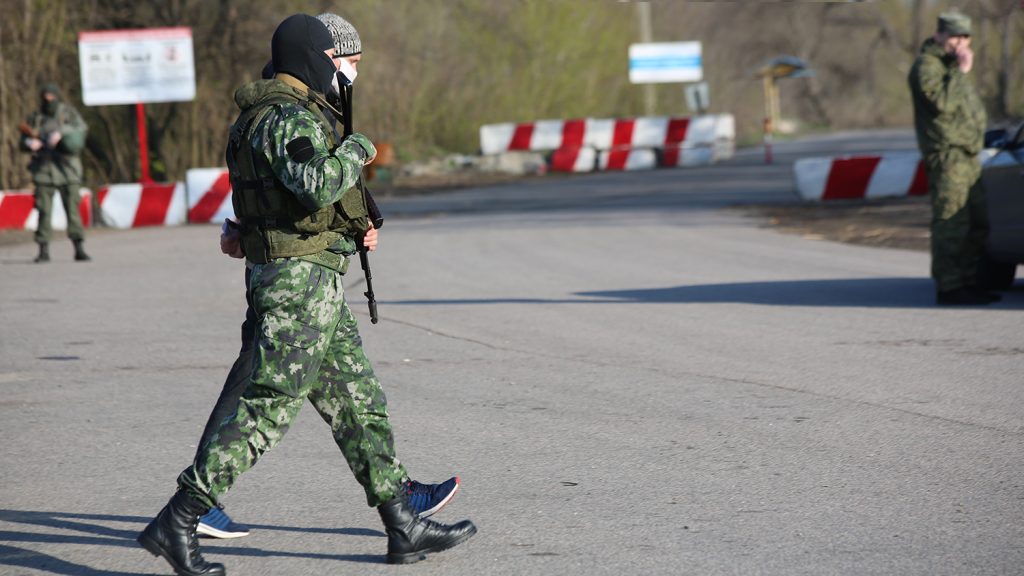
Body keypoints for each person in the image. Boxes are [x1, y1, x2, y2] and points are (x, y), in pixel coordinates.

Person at [137, 15, 476, 575]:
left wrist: (349, 228)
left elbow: (282, 209)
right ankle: (179, 518)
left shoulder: (268, 117)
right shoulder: (286, 118)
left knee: (357, 400)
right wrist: (358, 149)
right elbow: (315, 183)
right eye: (347, 61)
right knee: (267, 407)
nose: (351, 74)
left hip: (312, 280)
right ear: (318, 57)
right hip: (297, 288)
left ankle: (402, 523)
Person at [908, 12, 998, 306]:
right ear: (939, 36)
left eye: (965, 38)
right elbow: (942, 105)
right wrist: (961, 71)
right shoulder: (928, 66)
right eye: (955, 37)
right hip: (947, 156)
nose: (960, 43)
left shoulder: (951, 67)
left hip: (968, 155)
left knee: (977, 223)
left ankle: (969, 282)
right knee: (951, 221)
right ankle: (949, 286)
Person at [19, 83, 90, 263]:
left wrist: (61, 133)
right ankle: (43, 250)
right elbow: (22, 141)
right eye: (46, 96)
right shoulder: (35, 118)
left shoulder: (68, 113)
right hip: (44, 170)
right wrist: (29, 143)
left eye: (52, 96)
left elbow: (81, 128)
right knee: (44, 211)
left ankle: (78, 247)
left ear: (57, 96)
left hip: (68, 170)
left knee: (73, 210)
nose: (48, 100)